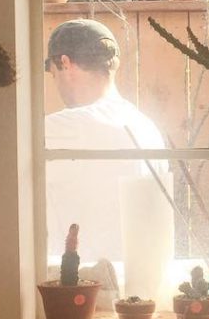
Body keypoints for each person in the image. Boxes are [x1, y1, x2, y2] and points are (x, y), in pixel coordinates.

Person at [45, 19, 169, 263]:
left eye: (53, 74)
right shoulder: (147, 128)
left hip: (77, 280)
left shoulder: (57, 129)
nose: (55, 83)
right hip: (137, 279)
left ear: (65, 63)